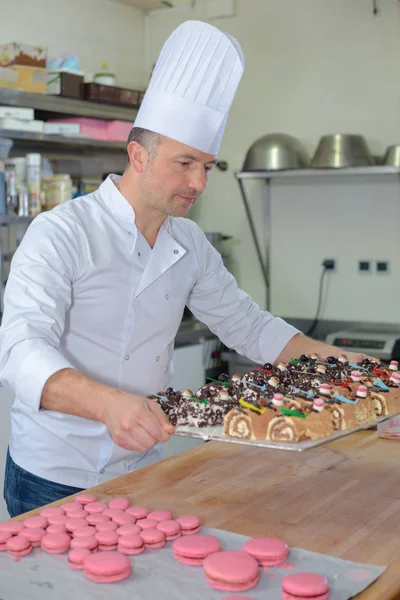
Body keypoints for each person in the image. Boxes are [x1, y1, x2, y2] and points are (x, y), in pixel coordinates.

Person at [0, 21, 363, 517]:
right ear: (138, 155)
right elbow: (20, 349)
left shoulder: (189, 243)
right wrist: (108, 404)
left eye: (208, 166)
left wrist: (353, 369)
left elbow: (251, 327)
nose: (199, 183)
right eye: (185, 163)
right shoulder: (60, 232)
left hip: (144, 468)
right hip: (53, 475)